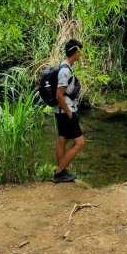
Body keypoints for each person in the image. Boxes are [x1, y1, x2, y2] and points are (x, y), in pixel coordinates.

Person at [53, 38, 85, 183]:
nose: (80, 54)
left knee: (62, 140)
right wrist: (70, 113)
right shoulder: (65, 71)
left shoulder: (65, 67)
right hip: (66, 111)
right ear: (74, 53)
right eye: (79, 52)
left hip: (62, 111)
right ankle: (59, 172)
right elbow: (59, 95)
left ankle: (62, 171)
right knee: (79, 143)